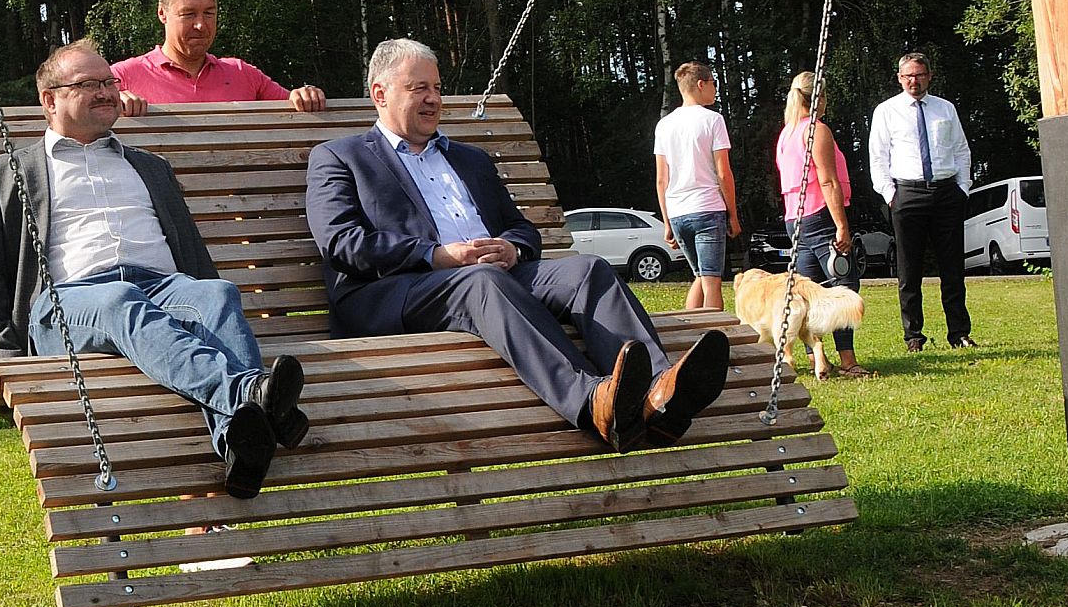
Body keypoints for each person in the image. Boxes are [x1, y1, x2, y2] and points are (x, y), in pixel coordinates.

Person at [305, 38, 731, 452]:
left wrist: (512, 248)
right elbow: (341, 242)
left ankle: (660, 395)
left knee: (587, 269)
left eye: (437, 88)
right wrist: (437, 256)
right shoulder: (341, 157)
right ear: (380, 94)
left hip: (492, 278)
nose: (434, 99)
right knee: (481, 281)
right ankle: (593, 401)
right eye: (419, 88)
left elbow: (521, 228)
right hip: (398, 292)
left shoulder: (468, 159)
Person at [0, 39, 308, 500]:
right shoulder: (8, 171)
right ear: (50, 100)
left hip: (162, 288)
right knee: (119, 300)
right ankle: (253, 395)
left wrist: (203, 288)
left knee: (218, 293)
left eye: (110, 82)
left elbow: (193, 258)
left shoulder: (149, 166)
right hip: (67, 305)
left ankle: (240, 445)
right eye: (89, 84)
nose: (107, 92)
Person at [113, 0, 327, 115]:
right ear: (162, 13)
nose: (200, 25)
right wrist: (110, 101)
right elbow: (81, 110)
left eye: (209, 13)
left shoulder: (243, 74)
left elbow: (293, 103)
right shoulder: (122, 77)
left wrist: (304, 94)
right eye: (188, 14)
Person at [868, 51, 974, 352]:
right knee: (909, 270)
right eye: (908, 76)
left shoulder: (946, 109)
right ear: (899, 78)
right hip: (907, 193)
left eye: (919, 74)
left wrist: (962, 187)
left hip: (946, 192)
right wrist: (890, 194)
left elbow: (961, 150)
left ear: (929, 76)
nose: (913, 80)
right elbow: (878, 156)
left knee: (952, 267)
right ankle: (913, 336)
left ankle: (959, 333)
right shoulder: (886, 111)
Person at [776, 71, 873, 378]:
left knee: (807, 292)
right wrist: (841, 227)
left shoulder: (786, 133)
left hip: (795, 219)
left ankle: (817, 358)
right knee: (843, 286)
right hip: (820, 215)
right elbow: (828, 181)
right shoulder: (817, 130)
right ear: (820, 97)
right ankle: (847, 359)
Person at [653, 61, 741, 312]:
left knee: (700, 277)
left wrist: (667, 222)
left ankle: (688, 333)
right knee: (712, 281)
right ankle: (716, 340)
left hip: (678, 212)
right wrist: (733, 215)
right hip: (708, 209)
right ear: (700, 84)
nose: (715, 89)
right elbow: (724, 173)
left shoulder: (664, 125)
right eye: (713, 83)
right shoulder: (713, 120)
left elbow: (661, 179)